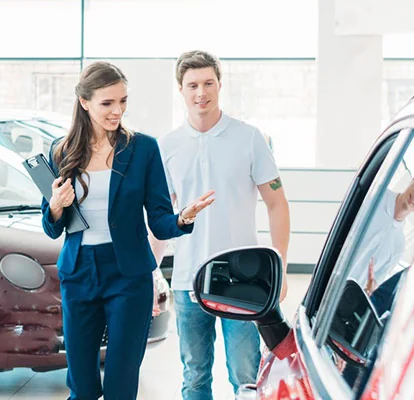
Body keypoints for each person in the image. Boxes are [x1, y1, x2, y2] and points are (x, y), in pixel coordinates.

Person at [42, 61, 215, 400]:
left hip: (128, 276)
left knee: (121, 384)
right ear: (84, 102)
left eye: (122, 101)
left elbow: (161, 220)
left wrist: (183, 218)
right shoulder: (61, 151)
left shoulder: (143, 149)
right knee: (82, 386)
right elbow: (51, 228)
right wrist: (56, 205)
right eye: (107, 103)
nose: (117, 111)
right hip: (78, 274)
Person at [151, 50, 291, 400]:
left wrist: (281, 268)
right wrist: (152, 274)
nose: (202, 92)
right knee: (194, 376)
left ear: (220, 85)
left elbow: (277, 203)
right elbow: (160, 221)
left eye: (208, 83)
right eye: (193, 85)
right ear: (180, 90)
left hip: (243, 281)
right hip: (187, 281)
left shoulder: (249, 137)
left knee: (246, 377)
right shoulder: (166, 147)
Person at [351, 166, 414, 316]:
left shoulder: (398, 246)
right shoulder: (374, 197)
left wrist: (370, 289)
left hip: (344, 304)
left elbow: (373, 286)